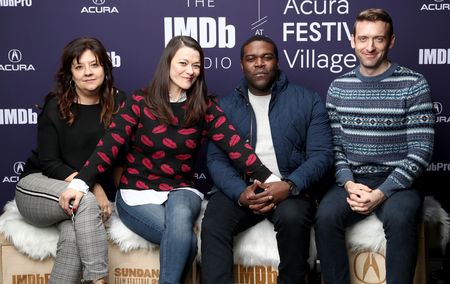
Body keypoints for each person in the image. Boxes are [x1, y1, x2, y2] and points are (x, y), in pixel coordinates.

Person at [58, 35, 280, 284]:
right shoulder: (139, 102)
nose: (191, 71)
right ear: (168, 63)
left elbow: (237, 148)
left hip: (180, 189)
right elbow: (109, 146)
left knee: (180, 211)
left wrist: (275, 182)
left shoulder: (204, 107)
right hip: (137, 192)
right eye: (183, 63)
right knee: (183, 241)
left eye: (196, 65)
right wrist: (80, 184)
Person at [314, 8, 435, 284]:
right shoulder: (339, 86)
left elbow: (421, 150)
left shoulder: (413, 84)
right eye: (364, 39)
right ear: (352, 40)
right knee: (326, 217)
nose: (370, 47)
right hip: (354, 179)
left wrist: (381, 193)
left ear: (391, 41)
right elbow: (335, 147)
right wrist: (347, 183)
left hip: (399, 183)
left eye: (378, 39)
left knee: (400, 217)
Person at [200, 35, 334, 284]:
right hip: (244, 189)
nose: (259, 63)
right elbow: (216, 160)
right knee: (213, 224)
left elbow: (322, 155)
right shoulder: (225, 106)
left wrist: (290, 185)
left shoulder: (307, 100)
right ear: (242, 65)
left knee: (293, 219)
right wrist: (241, 193)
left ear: (277, 61)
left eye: (266, 57)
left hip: (289, 189)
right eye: (251, 59)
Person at [15, 37, 127, 284]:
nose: (88, 72)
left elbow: (119, 158)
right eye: (79, 67)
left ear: (105, 68)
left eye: (94, 65)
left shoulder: (120, 104)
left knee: (75, 237)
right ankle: (99, 281)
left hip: (74, 197)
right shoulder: (56, 105)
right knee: (85, 201)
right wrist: (94, 187)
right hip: (37, 186)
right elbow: (50, 163)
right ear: (70, 73)